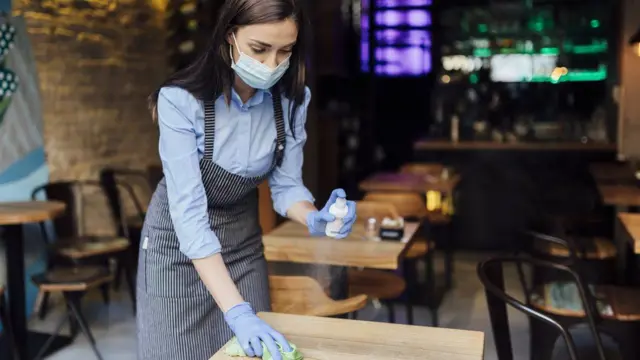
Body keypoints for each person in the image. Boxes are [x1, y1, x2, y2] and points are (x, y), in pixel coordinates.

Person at [136, 0, 357, 359]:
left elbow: (286, 186)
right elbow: (189, 215)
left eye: (285, 51)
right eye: (259, 49)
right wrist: (238, 313)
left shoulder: (292, 100)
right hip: (175, 250)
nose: (272, 64)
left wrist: (313, 216)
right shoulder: (180, 101)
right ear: (230, 37)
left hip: (242, 246)